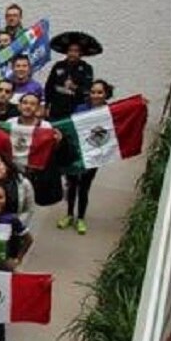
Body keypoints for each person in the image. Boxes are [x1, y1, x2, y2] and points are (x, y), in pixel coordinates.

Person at [58, 79, 113, 235]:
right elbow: (72, 128)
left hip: (95, 155)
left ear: (106, 94)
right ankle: (69, 214)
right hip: (75, 153)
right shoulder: (80, 108)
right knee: (72, 184)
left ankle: (80, 218)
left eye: (99, 92)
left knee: (84, 187)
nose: (96, 95)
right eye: (93, 92)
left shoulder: (110, 111)